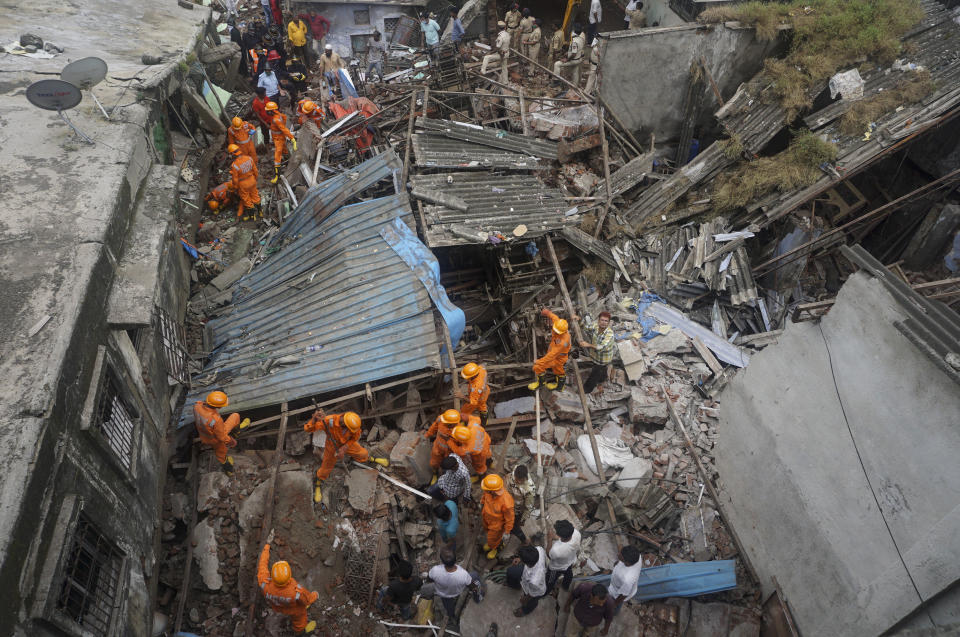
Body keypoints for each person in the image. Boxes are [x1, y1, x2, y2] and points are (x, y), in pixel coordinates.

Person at [302, 409, 389, 503]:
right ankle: (318, 484)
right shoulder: (329, 421)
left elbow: (355, 436)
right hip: (332, 446)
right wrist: (314, 420)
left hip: (347, 445)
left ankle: (372, 459)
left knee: (363, 453)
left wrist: (344, 448)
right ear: (344, 422)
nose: (349, 430)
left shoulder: (353, 424)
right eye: (348, 428)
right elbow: (308, 429)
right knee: (325, 469)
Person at [258, 537, 318, 634]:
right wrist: (315, 595)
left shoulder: (264, 584)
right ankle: (301, 632)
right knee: (300, 618)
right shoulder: (296, 591)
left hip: (278, 606)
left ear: (272, 576)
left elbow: (262, 565)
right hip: (294, 609)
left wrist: (267, 546)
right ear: (289, 576)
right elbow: (307, 599)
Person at [193, 391, 250, 475]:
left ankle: (236, 432)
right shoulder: (216, 420)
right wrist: (231, 441)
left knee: (235, 416)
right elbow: (221, 437)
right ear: (218, 407)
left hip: (204, 436)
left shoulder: (197, 406)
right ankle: (229, 470)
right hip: (215, 440)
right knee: (221, 454)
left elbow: (202, 407)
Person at [428, 549, 482, 622]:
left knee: (448, 607)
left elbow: (429, 579)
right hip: (457, 592)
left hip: (444, 595)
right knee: (475, 575)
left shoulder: (435, 570)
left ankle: (452, 616)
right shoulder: (463, 574)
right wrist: (474, 588)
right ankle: (477, 598)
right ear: (456, 559)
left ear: (442, 561)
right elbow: (471, 586)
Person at [529, 307, 572, 391]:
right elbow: (554, 317)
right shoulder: (559, 324)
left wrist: (538, 361)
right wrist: (547, 312)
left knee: (537, 367)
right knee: (558, 370)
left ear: (563, 332)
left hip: (558, 358)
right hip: (558, 356)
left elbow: (551, 356)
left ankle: (542, 383)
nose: (554, 331)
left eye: (557, 331)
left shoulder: (562, 342)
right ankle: (560, 386)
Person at [506, 544, 547, 617]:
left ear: (526, 563)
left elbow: (532, 594)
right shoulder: (539, 549)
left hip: (535, 591)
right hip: (527, 576)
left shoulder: (535, 580)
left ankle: (526, 610)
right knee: (511, 571)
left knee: (531, 602)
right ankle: (516, 586)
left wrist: (525, 599)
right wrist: (520, 559)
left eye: (521, 558)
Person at [480, 474, 514, 559]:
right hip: (486, 517)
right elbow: (484, 497)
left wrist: (507, 531)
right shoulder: (488, 492)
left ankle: (494, 548)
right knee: (486, 531)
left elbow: (510, 518)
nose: (485, 491)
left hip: (496, 524)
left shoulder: (506, 501)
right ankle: (491, 543)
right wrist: (481, 502)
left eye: (486, 490)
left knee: (493, 538)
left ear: (493, 491)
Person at [580, 311, 614, 393]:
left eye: (606, 321)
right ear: (598, 320)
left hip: (603, 358)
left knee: (595, 373)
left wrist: (588, 345)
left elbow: (601, 347)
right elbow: (586, 327)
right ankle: (603, 378)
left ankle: (587, 389)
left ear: (609, 323)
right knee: (600, 369)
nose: (603, 323)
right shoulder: (595, 326)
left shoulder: (609, 334)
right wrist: (579, 320)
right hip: (596, 356)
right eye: (602, 320)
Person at [228, 144, 262, 220]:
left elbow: (235, 179)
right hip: (252, 180)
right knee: (255, 195)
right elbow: (255, 171)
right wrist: (255, 179)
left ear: (232, 154)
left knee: (246, 200)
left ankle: (252, 217)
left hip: (243, 184)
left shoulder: (234, 165)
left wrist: (235, 187)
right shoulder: (249, 158)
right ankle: (260, 212)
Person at [265, 100, 296, 184]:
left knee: (277, 157)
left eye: (267, 111)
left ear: (272, 111)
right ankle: (289, 162)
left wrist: (292, 138)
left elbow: (284, 129)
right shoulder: (280, 115)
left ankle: (277, 176)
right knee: (285, 151)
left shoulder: (276, 119)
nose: (266, 112)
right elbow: (284, 123)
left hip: (279, 139)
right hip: (280, 137)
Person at [547, 519, 581, 592]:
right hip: (570, 562)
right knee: (568, 574)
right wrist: (555, 537)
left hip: (557, 568)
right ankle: (565, 586)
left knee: (550, 580)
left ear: (559, 535)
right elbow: (566, 539)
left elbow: (549, 555)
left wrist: (549, 539)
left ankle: (547, 590)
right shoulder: (576, 533)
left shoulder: (556, 550)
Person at [424, 408, 461, 476]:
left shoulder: (459, 431)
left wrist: (447, 439)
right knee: (434, 463)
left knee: (447, 466)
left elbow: (459, 447)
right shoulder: (441, 419)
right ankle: (435, 473)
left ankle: (446, 475)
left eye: (448, 423)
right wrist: (427, 435)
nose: (445, 423)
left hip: (449, 451)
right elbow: (434, 427)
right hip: (437, 447)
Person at [607, 545, 642, 613]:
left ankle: (614, 612)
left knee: (615, 605)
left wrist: (614, 604)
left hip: (617, 592)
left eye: (620, 556)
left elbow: (623, 595)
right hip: (617, 583)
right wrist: (618, 563)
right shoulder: (637, 556)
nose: (618, 554)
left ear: (627, 562)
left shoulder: (628, 579)